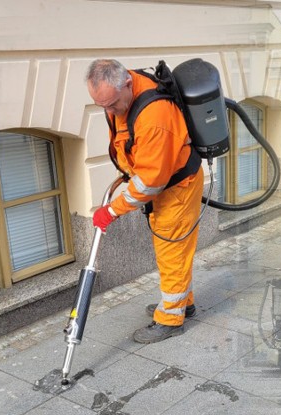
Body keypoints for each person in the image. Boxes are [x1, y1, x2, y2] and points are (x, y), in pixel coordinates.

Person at [86, 59, 204, 343]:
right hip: (164, 181)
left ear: (127, 83)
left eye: (113, 104)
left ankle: (171, 318)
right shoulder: (126, 93)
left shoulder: (155, 117)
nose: (110, 111)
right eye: (102, 105)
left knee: (171, 250)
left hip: (176, 187)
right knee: (171, 249)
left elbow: (150, 182)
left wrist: (112, 210)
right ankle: (182, 303)